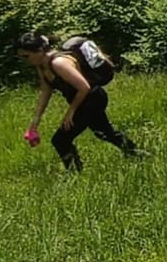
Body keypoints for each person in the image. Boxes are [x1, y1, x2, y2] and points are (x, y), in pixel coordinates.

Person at [17, 33, 141, 171]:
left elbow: (84, 87)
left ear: (39, 51)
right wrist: (34, 123)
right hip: (84, 100)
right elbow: (46, 92)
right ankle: (138, 155)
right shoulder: (41, 66)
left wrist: (70, 113)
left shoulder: (59, 63)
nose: (25, 60)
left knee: (60, 140)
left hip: (93, 98)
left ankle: (74, 173)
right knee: (105, 132)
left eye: (26, 56)